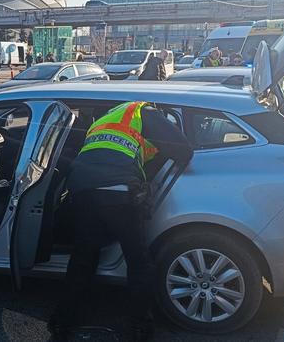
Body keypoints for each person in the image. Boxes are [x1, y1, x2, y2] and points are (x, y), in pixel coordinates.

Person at [50, 101, 194, 341]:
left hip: (81, 189)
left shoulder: (102, 122)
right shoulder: (142, 111)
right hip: (118, 192)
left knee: (83, 258)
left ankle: (62, 321)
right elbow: (183, 150)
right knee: (138, 261)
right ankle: (138, 326)